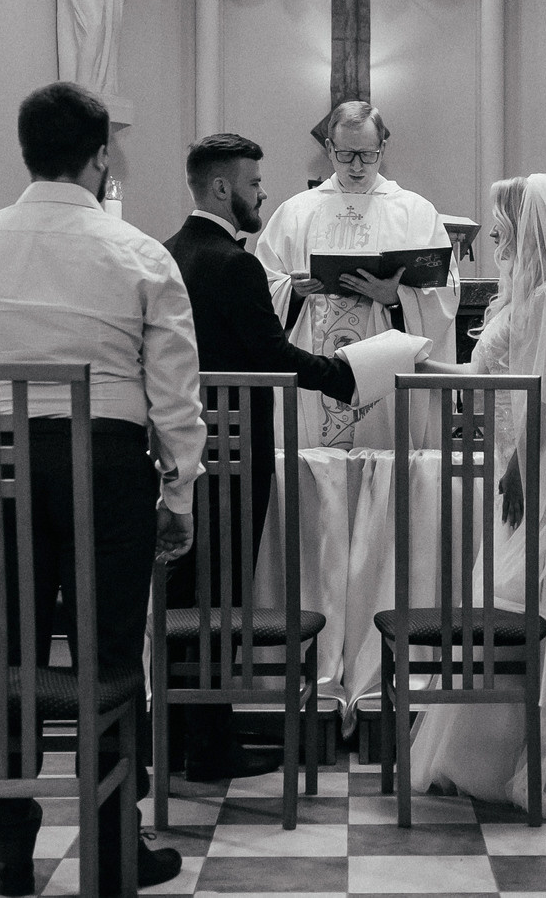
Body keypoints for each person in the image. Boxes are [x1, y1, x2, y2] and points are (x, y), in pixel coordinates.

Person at [0, 82, 200, 896]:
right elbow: (173, 391)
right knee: (111, 652)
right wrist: (177, 491)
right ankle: (115, 842)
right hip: (108, 470)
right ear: (101, 152)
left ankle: (10, 850)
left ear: (25, 151)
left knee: (3, 658)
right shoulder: (141, 254)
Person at [160, 131, 359, 783]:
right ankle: (213, 747)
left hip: (177, 450)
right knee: (221, 599)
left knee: (187, 597)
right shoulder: (234, 263)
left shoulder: (164, 255)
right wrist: (344, 373)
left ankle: (184, 739)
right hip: (235, 451)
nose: (262, 192)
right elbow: (275, 357)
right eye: (252, 182)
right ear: (221, 187)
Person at [405, 172, 546, 816]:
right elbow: (482, 375)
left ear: (530, 228)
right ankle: (480, 759)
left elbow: (543, 397)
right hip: (512, 469)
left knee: (523, 605)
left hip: (533, 475)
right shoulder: (518, 301)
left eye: (505, 229)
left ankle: (530, 762)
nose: (498, 240)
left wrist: (516, 471)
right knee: (495, 605)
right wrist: (409, 365)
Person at [253, 101, 460, 450]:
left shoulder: (415, 211)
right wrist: (294, 291)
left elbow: (446, 289)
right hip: (313, 370)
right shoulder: (296, 212)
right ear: (329, 150)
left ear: (383, 149)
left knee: (386, 467)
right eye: (347, 155)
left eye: (368, 154)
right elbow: (261, 288)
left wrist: (396, 297)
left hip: (386, 374)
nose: (358, 166)